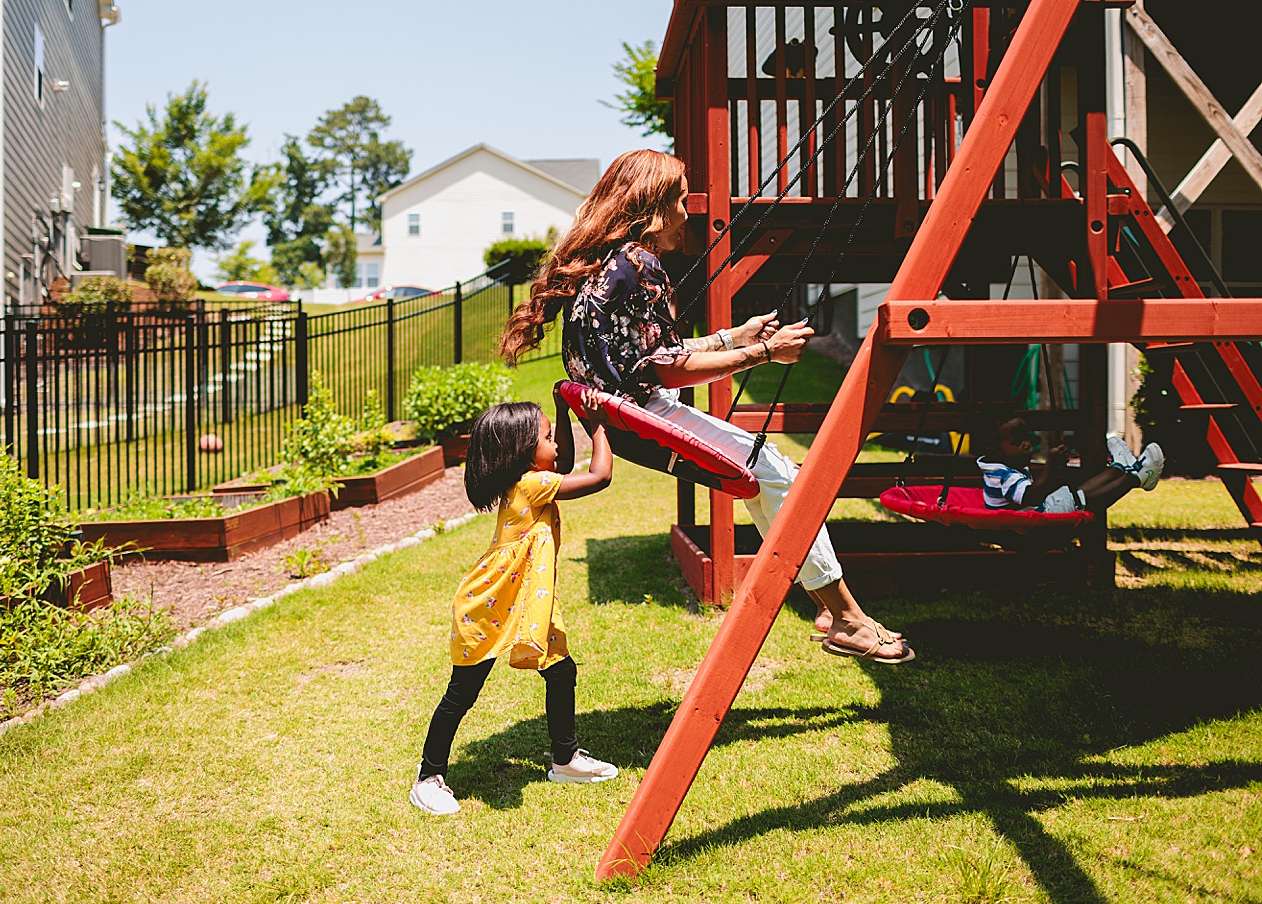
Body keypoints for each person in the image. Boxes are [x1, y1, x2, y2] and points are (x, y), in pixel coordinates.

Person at [499, 148, 913, 665]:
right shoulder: (640, 263)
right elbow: (662, 370)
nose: (688, 213)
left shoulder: (606, 267)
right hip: (648, 417)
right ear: (653, 206)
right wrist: (761, 352)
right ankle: (845, 617)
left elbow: (645, 356)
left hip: (624, 422)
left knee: (773, 476)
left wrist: (730, 336)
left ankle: (834, 610)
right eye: (680, 199)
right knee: (782, 476)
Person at [410, 390, 616, 816]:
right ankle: (428, 777)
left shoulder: (532, 481)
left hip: (527, 600)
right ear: (524, 453)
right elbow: (599, 476)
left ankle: (565, 760)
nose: (556, 444)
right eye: (547, 437)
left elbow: (563, 462)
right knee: (462, 693)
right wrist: (598, 424)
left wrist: (562, 412)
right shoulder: (531, 485)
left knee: (561, 672)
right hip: (489, 604)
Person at [974, 414, 1164, 513]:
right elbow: (1031, 496)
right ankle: (1136, 478)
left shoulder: (1002, 467)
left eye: (1026, 438)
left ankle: (1119, 468)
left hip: (1034, 513)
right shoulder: (1001, 475)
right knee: (1082, 501)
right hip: (1032, 522)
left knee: (1077, 495)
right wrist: (1050, 466)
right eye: (1017, 443)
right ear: (995, 452)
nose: (1026, 445)